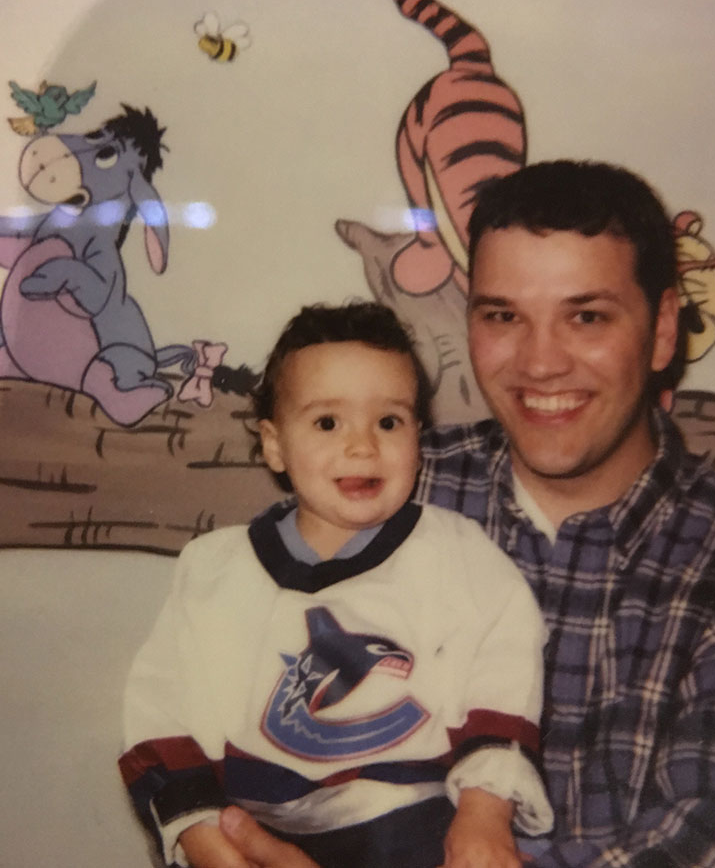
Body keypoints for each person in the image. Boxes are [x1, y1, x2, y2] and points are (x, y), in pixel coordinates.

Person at [215, 160, 715, 868]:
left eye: (586, 316)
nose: (539, 362)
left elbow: (709, 838)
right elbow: (236, 715)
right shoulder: (384, 488)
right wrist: (207, 826)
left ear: (661, 331)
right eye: (503, 316)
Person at [119, 302, 553, 868]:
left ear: (417, 436)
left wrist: (483, 810)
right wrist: (203, 837)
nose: (362, 446)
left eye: (389, 422)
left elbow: (506, 671)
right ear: (274, 444)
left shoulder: (456, 554)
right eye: (327, 422)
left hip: (411, 822)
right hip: (251, 825)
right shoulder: (214, 569)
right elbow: (160, 708)